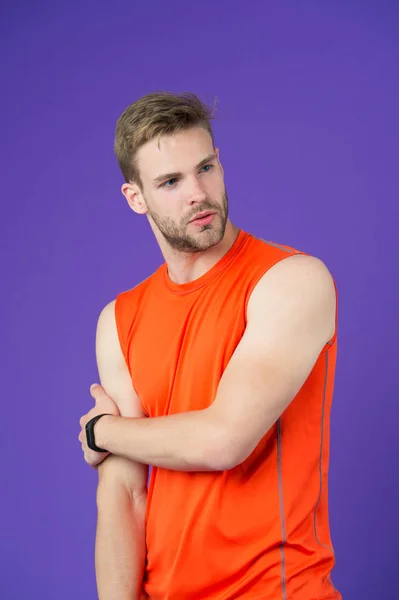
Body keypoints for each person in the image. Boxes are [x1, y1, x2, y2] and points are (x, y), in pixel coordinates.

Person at [78, 91, 341, 600]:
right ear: (136, 198)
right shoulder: (119, 319)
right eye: (171, 182)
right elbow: (124, 494)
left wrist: (103, 431)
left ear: (220, 164)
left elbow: (224, 440)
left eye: (205, 169)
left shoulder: (290, 280)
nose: (197, 193)